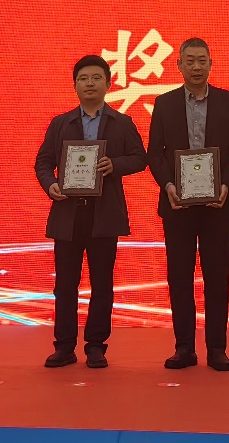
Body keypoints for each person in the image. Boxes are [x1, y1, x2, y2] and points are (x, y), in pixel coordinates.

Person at [34, 54, 146, 369]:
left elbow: (140, 158)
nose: (90, 84)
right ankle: (64, 346)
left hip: (104, 214)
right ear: (75, 85)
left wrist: (115, 164)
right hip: (68, 213)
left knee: (102, 284)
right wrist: (50, 185)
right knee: (65, 285)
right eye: (83, 79)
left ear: (108, 84)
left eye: (96, 78)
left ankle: (96, 346)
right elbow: (43, 162)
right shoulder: (61, 123)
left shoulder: (121, 122)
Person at [146, 38, 229, 371]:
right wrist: (169, 186)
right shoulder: (164, 104)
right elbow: (155, 154)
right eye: (189, 61)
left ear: (211, 64)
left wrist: (225, 185)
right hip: (177, 205)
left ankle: (217, 348)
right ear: (178, 65)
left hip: (217, 205)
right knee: (180, 277)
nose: (196, 67)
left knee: (217, 277)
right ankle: (184, 348)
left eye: (202, 60)